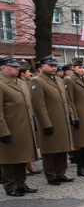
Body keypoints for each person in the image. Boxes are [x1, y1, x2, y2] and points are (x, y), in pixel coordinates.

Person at [30, 57, 75, 185]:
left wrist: (70, 116)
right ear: (43, 66)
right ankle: (51, 175)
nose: (54, 68)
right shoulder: (37, 81)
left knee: (62, 148)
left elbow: (65, 100)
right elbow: (38, 105)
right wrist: (45, 124)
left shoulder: (59, 80)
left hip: (62, 120)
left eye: (55, 65)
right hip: (50, 121)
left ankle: (61, 174)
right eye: (51, 65)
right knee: (50, 150)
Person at [0, 57, 39, 197]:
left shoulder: (22, 83)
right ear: (3, 68)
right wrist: (3, 131)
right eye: (14, 67)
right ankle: (10, 186)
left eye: (18, 67)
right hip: (10, 127)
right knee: (9, 159)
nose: (17, 69)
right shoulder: (1, 84)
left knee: (22, 157)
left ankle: (21, 184)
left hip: (24, 127)